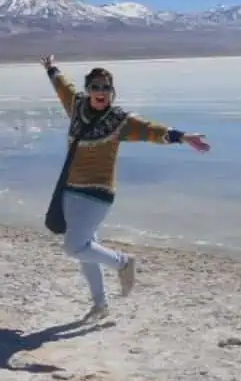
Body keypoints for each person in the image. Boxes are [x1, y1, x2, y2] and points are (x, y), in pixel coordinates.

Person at [40, 54, 210, 321]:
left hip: (97, 194)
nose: (100, 92)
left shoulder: (120, 121)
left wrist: (182, 137)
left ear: (112, 92)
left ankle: (122, 262)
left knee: (73, 247)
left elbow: (150, 130)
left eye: (105, 88)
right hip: (70, 189)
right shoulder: (76, 106)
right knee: (86, 247)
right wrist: (51, 69)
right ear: (88, 90)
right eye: (95, 87)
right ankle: (100, 305)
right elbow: (63, 86)